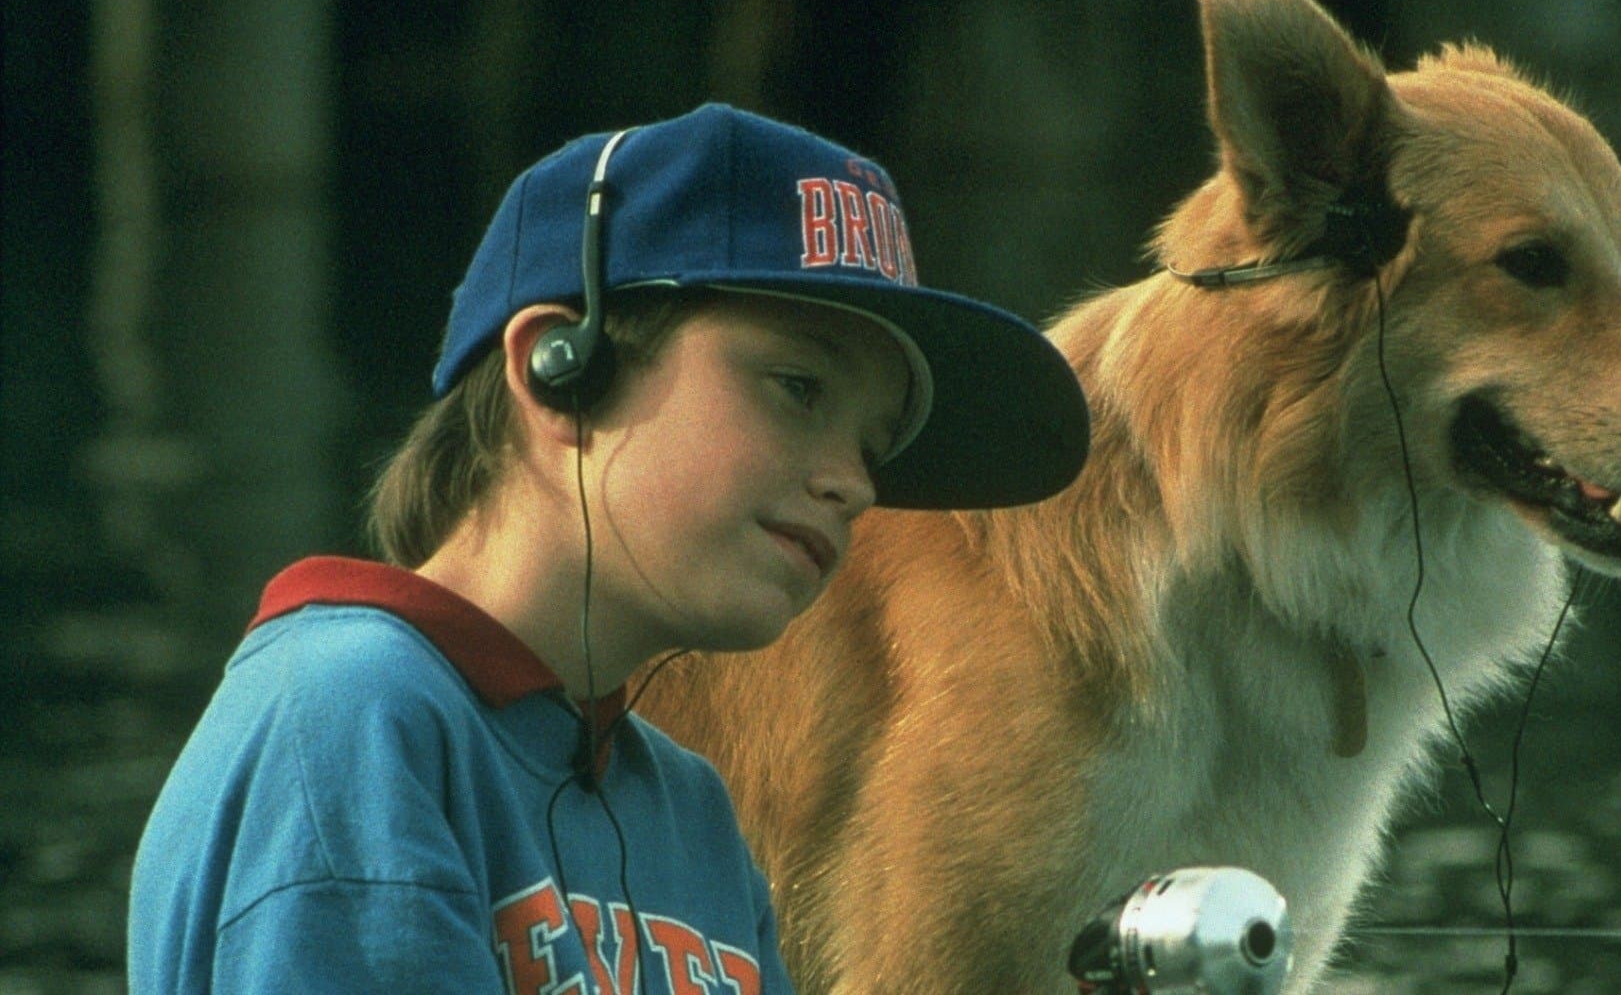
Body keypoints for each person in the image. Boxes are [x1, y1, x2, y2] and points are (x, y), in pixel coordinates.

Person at [127, 103, 1090, 993]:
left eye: (875, 447)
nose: (857, 484)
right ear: (560, 373)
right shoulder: (357, 717)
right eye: (798, 388)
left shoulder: (690, 810)